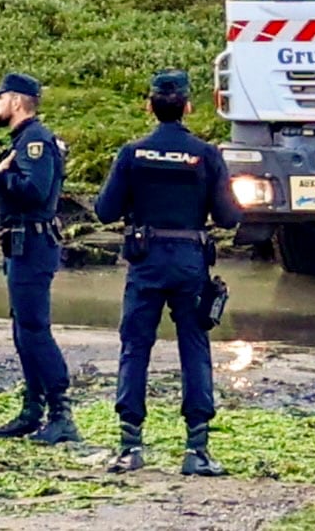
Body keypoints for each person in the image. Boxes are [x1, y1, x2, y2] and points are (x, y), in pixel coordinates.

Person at [94, 70, 242, 477]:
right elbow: (229, 218)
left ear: (150, 106)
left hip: (145, 261)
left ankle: (130, 446)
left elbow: (104, 210)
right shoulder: (206, 154)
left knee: (135, 347)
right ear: (188, 106)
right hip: (191, 261)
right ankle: (196, 449)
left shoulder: (132, 154)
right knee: (194, 348)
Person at [0, 72, 81, 445]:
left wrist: (1, 178)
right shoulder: (25, 139)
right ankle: (32, 408)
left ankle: (62, 413)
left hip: (34, 243)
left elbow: (36, 192)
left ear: (17, 101)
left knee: (35, 329)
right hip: (20, 244)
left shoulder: (35, 140)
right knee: (22, 329)